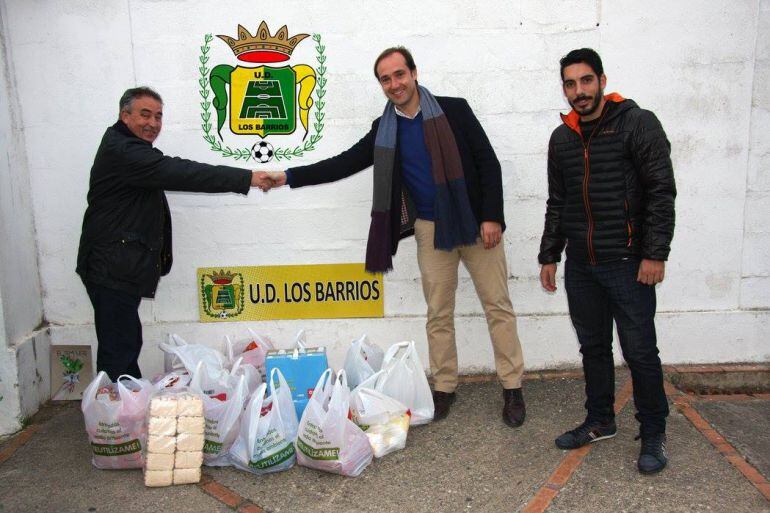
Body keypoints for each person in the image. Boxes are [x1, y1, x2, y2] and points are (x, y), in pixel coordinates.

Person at [258, 47, 526, 427]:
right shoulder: (385, 130)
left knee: (497, 305)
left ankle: (512, 386)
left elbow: (487, 162)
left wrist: (492, 217)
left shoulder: (455, 110)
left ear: (414, 73)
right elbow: (343, 163)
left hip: (473, 220)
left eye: (399, 74)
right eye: (386, 79)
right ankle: (445, 386)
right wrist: (288, 176)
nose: (394, 84)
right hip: (431, 229)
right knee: (438, 312)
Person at [538, 48, 676, 474]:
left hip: (628, 263)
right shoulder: (562, 138)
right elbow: (558, 202)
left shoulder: (637, 123)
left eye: (585, 81)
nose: (578, 91)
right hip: (581, 266)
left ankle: (653, 430)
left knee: (639, 352)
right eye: (570, 84)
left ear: (601, 80)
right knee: (593, 348)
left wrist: (655, 253)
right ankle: (600, 420)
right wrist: (549, 254)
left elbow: (661, 192)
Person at [77, 86, 264, 381]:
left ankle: (124, 407)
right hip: (111, 265)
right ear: (124, 116)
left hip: (115, 263)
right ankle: (117, 416)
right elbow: (183, 172)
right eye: (145, 115)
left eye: (159, 117)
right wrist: (248, 177)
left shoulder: (127, 148)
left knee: (123, 342)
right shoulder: (125, 152)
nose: (153, 123)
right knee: (120, 348)